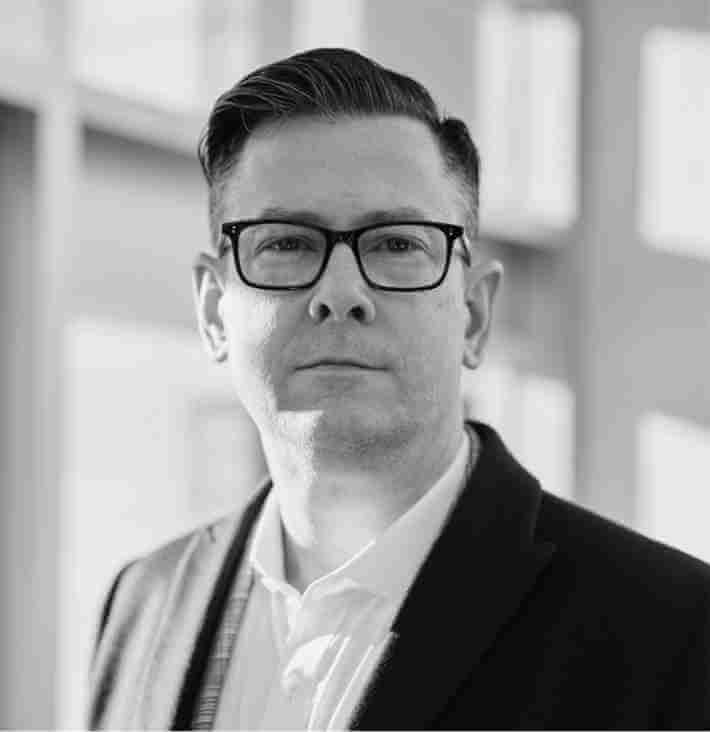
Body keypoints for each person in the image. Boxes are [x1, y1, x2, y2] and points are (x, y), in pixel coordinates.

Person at [87, 48, 710, 730]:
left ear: (474, 314)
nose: (340, 292)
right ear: (214, 312)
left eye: (396, 244)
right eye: (286, 243)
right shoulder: (141, 606)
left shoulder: (672, 636)